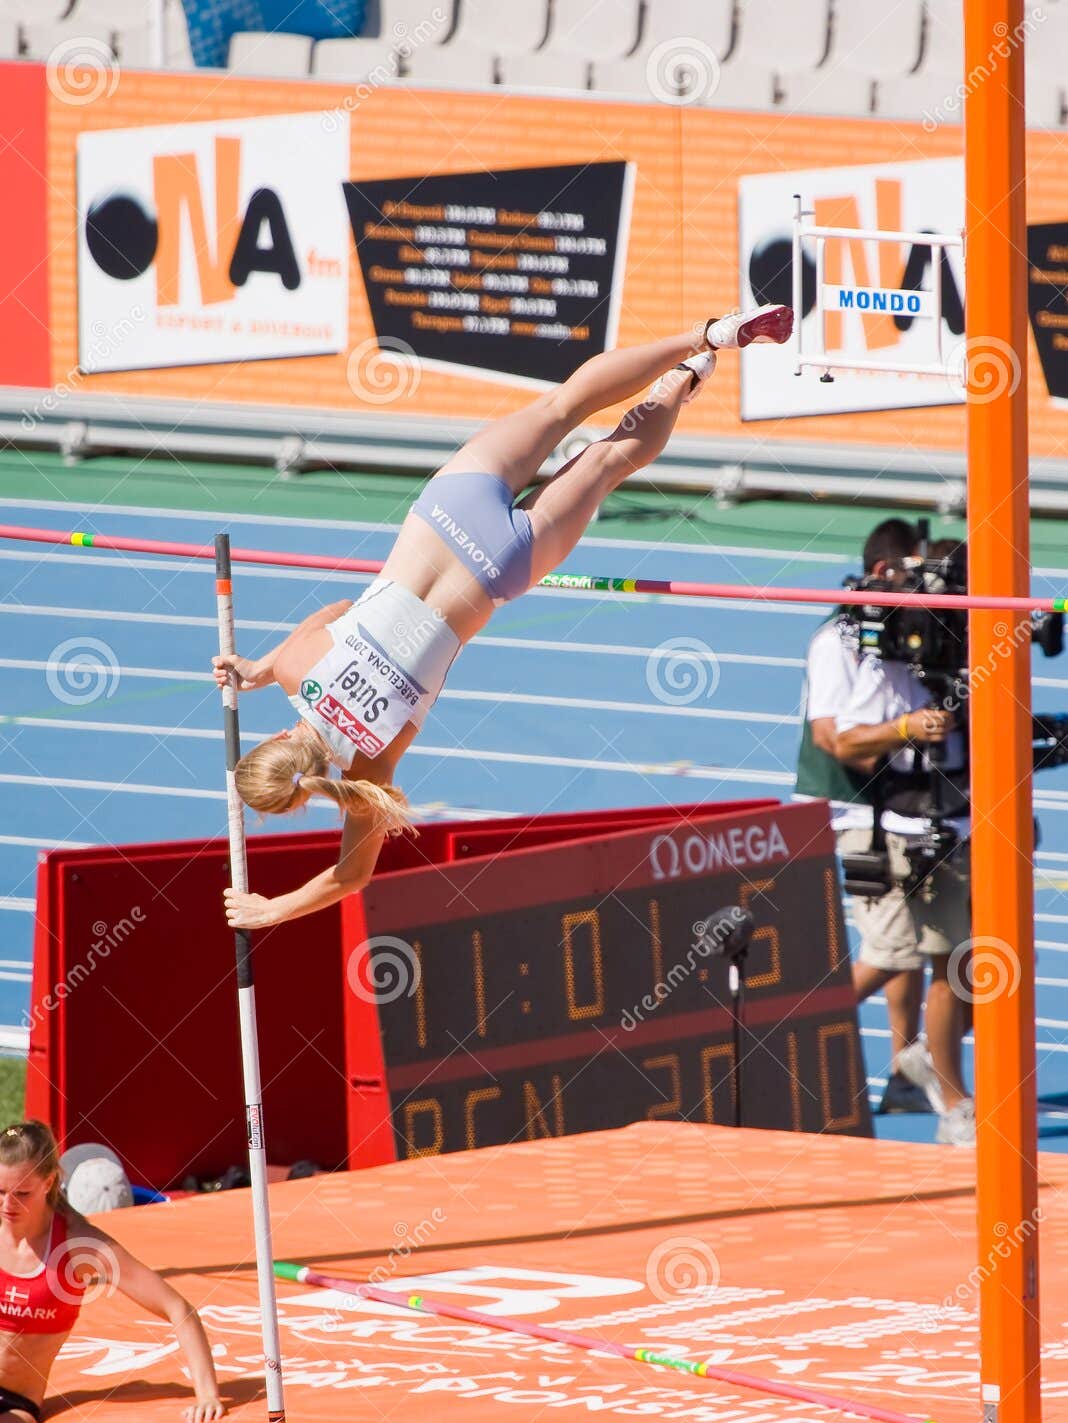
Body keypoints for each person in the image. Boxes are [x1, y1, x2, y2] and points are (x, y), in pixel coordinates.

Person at [212, 307, 793, 930]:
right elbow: (338, 609)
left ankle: (681, 383)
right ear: (275, 741)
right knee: (563, 405)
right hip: (448, 510)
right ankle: (708, 333)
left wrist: (273, 909)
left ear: (308, 795)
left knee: (604, 464)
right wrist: (260, 669)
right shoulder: (300, 665)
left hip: (496, 568)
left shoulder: (369, 770)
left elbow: (351, 876)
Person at [0, 1121, 225, 1423]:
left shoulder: (79, 1246)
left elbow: (179, 1309)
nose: (7, 1206)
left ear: (50, 1182)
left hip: (14, 1405)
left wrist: (207, 1393)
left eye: (21, 1194)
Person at [833, 539, 975, 1145]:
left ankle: (924, 1067)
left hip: (969, 825)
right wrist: (908, 727)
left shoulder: (973, 644)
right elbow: (841, 741)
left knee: (978, 969)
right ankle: (955, 1103)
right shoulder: (878, 653)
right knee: (920, 962)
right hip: (904, 830)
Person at [795, 518, 936, 1114]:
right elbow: (833, 739)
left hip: (898, 806)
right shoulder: (839, 638)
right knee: (889, 948)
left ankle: (905, 1075)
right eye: (920, 570)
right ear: (886, 571)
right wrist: (904, 730)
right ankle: (778, 1042)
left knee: (907, 946)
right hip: (854, 808)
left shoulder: (910, 631)